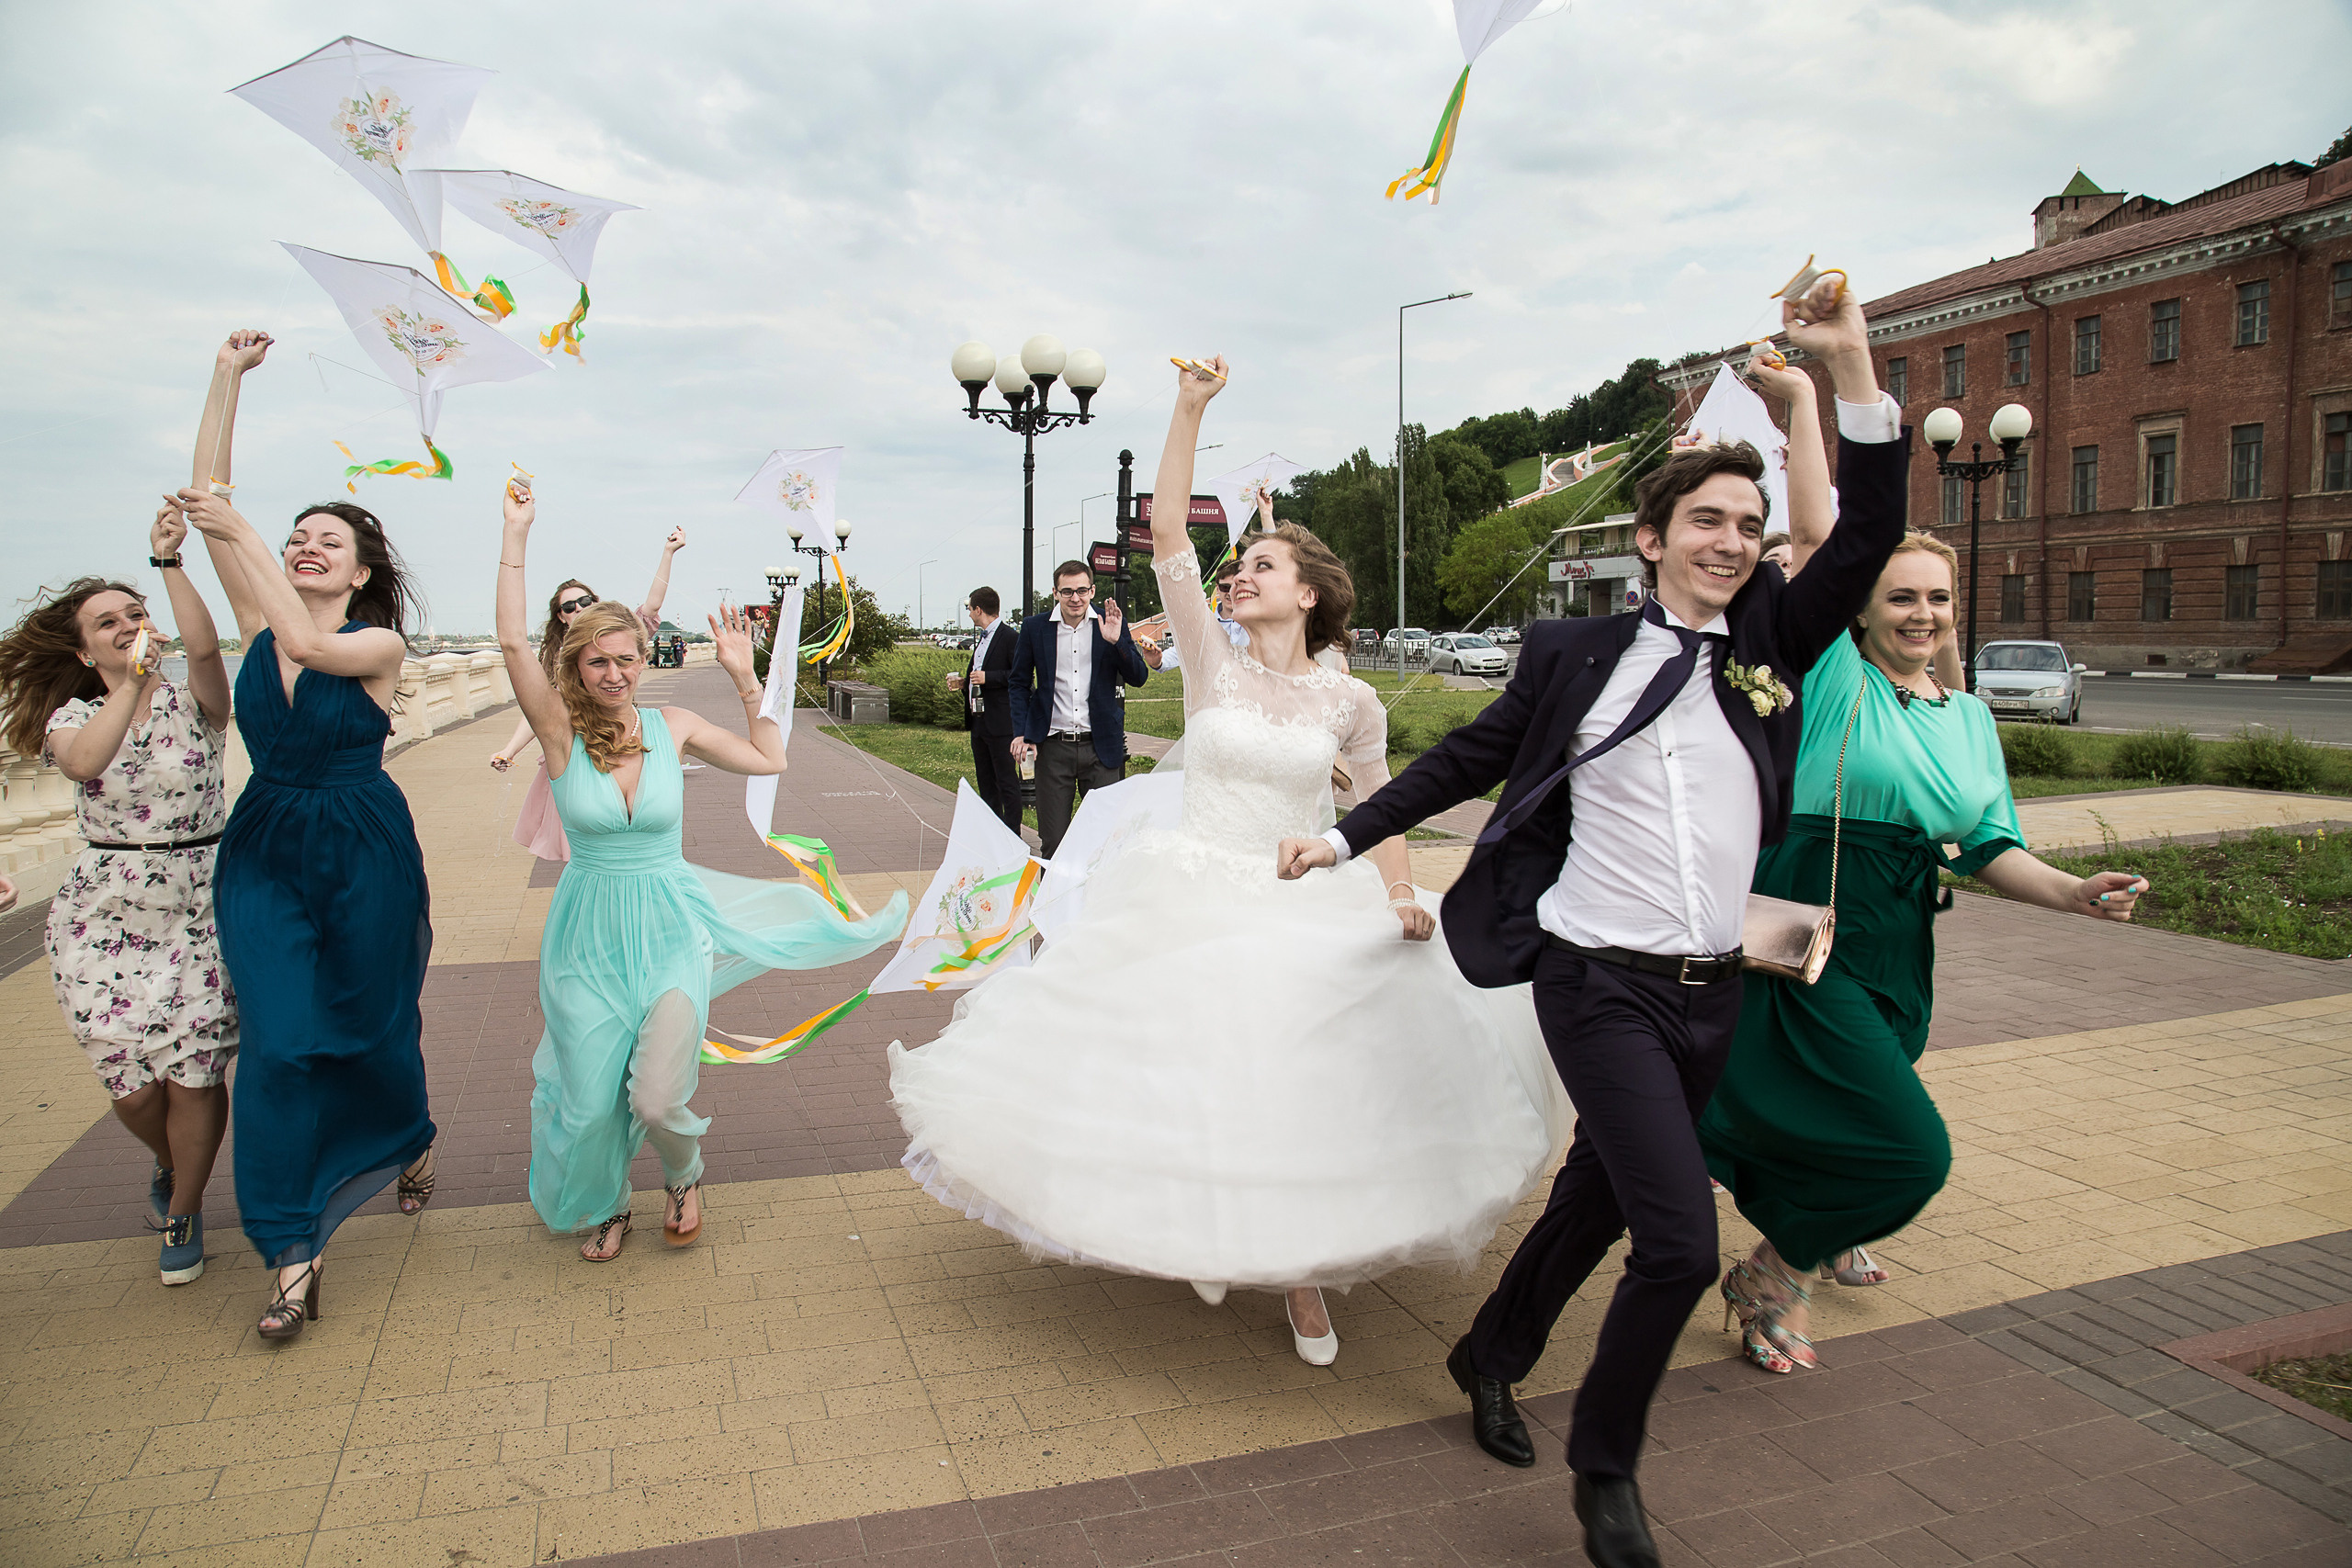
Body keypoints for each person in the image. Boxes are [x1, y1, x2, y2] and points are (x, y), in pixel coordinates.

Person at [1277, 278, 1904, 1568]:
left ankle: (1489, 1350)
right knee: (1681, 1240)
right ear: (1652, 532)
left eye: (1748, 522)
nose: (1732, 539)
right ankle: (1607, 1471)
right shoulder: (1570, 651)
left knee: (1606, 1201)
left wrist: (1844, 378)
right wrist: (1339, 836)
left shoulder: (1772, 639)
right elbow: (1466, 760)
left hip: (1711, 987)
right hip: (1592, 978)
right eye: (1708, 521)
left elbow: (1863, 533)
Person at [889, 355, 1566, 1368]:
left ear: (1307, 594)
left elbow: (1383, 810)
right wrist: (1187, 408)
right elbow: (1168, 537)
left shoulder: (1351, 703)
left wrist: (1397, 898)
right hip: (1189, 889)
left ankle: (1300, 1268)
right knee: (1200, 1083)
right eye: (1237, 565)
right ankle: (1220, 1236)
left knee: (1304, 1088)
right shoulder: (1212, 665)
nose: (1238, 575)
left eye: (1260, 566)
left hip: (1304, 893)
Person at [1700, 530, 2147, 1371]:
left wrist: (2073, 891)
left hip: (1902, 933)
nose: (1923, 614)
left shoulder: (1970, 717)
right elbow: (1832, 534)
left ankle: (1830, 1232)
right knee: (1908, 1148)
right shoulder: (1836, 674)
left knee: (1863, 1100)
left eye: (1937, 598)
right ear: (1860, 608)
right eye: (1901, 596)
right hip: (1812, 920)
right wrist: (1814, 397)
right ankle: (1776, 1268)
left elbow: (1985, 842)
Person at [495, 484, 905, 1259]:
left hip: (668, 926)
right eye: (597, 662)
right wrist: (515, 536)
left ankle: (683, 1172)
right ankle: (610, 1200)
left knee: (654, 1094)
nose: (613, 674)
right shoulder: (557, 737)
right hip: (585, 938)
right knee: (587, 1099)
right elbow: (516, 646)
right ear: (576, 665)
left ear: (644, 661)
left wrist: (743, 677)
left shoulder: (672, 727)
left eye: (625, 660)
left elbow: (769, 757)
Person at [176, 328, 435, 1344]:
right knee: (281, 1044)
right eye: (296, 536)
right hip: (266, 847)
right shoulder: (257, 617)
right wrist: (225, 376)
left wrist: (240, 532)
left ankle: (406, 1131)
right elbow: (210, 499)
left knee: (372, 1025)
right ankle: (292, 1250)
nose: (307, 544)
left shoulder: (374, 641)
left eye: (331, 538)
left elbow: (305, 641)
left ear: (364, 568)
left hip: (362, 843)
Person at [0, 511, 235, 1288]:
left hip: (200, 900)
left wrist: (167, 561)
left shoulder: (193, 700)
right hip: (105, 911)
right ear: (82, 649)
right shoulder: (70, 718)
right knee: (134, 1086)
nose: (129, 626)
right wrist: (128, 685)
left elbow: (204, 647)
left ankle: (185, 1207)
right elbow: (86, 763)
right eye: (108, 621)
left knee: (194, 1071)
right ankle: (169, 1160)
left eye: (135, 614)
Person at [490, 527, 686, 861]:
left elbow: (652, 605)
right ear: (560, 616)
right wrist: (510, 750)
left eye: (585, 601)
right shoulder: (554, 658)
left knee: (633, 827)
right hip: (576, 750)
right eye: (569, 606)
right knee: (584, 842)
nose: (578, 608)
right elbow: (539, 712)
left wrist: (668, 553)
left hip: (623, 742)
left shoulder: (620, 634)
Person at [1008, 561, 1150, 858]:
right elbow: (1019, 683)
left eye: (1082, 590)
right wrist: (1021, 733)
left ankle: (1097, 903)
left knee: (1104, 840)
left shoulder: (1109, 623)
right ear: (1055, 593)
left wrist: (1116, 643)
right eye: (1068, 591)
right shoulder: (1035, 628)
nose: (1076, 598)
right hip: (1053, 749)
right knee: (1054, 841)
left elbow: (1138, 677)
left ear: (1092, 590)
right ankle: (1053, 903)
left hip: (1101, 750)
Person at [944, 588, 1021, 832]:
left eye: (969, 609)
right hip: (979, 723)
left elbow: (1020, 677)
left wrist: (990, 677)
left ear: (979, 609)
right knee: (986, 782)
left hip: (1001, 723)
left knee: (1006, 782)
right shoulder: (982, 638)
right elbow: (977, 674)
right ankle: (993, 833)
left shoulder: (1010, 637)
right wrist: (964, 682)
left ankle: (1012, 835)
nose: (968, 613)